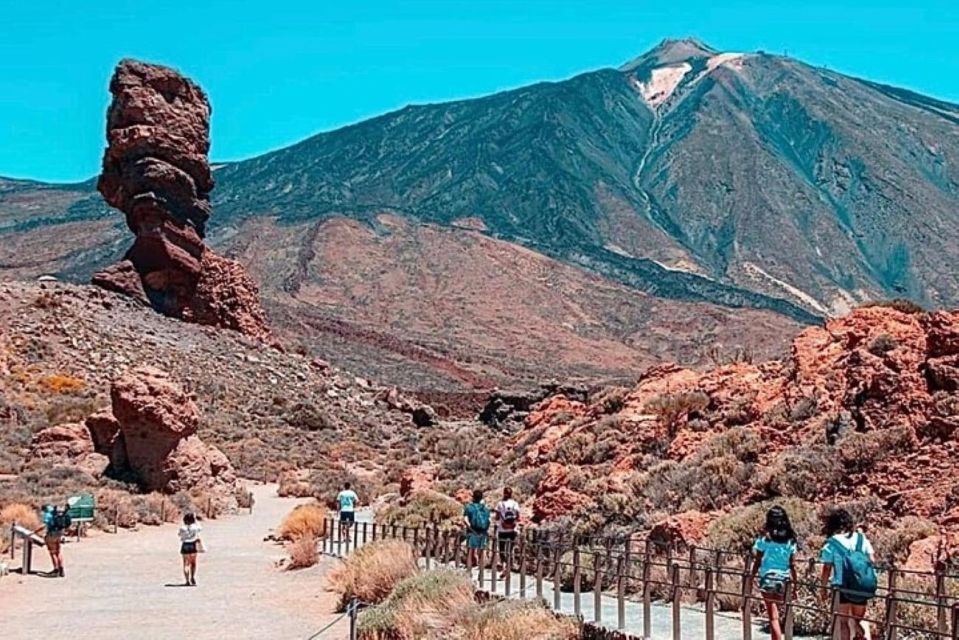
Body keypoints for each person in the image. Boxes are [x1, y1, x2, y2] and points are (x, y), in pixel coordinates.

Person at [819, 508, 877, 640]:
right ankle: (866, 637)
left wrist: (823, 589)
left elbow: (827, 568)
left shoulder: (832, 543)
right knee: (859, 619)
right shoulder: (861, 538)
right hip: (861, 586)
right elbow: (872, 560)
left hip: (841, 587)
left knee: (843, 621)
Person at [750, 506, 798, 640]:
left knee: (773, 617)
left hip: (768, 578)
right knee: (778, 612)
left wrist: (751, 577)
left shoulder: (765, 538)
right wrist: (795, 586)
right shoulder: (790, 540)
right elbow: (792, 565)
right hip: (784, 579)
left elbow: (758, 560)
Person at [33, 503, 70, 577]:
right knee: (58, 552)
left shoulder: (48, 515)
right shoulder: (56, 513)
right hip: (59, 534)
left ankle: (56, 570)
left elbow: (44, 525)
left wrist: (34, 531)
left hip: (51, 534)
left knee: (52, 552)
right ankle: (61, 569)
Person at [493, 487, 520, 577]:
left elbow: (496, 517)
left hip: (502, 530)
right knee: (510, 549)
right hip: (512, 530)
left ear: (504, 493)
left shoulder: (500, 504)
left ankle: (504, 566)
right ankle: (509, 566)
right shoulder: (515, 504)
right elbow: (518, 517)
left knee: (501, 549)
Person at [463, 489, 490, 570]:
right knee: (481, 550)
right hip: (483, 532)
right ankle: (480, 571)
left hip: (472, 532)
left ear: (473, 497)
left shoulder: (469, 508)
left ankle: (469, 570)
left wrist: (470, 528)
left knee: (470, 550)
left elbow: (465, 520)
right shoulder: (485, 509)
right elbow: (489, 520)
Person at [178, 512, 202, 586]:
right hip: (193, 544)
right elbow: (200, 528)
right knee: (193, 563)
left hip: (185, 544)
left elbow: (179, 535)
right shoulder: (195, 527)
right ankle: (193, 577)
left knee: (186, 563)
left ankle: (187, 580)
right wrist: (196, 521)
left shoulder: (182, 528)